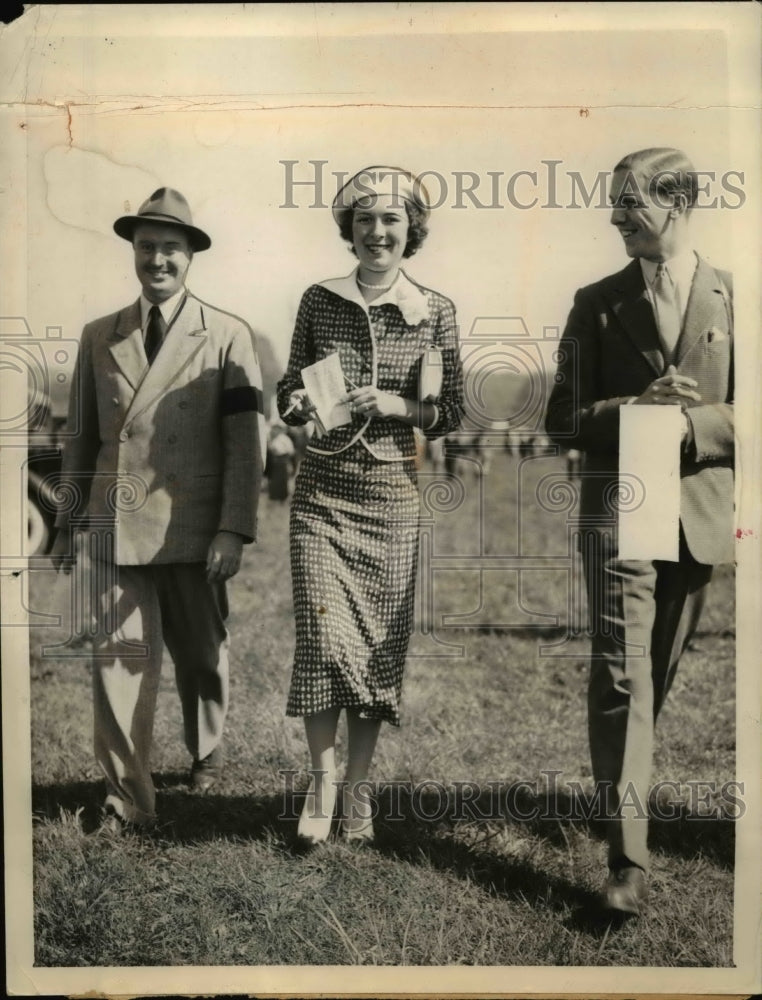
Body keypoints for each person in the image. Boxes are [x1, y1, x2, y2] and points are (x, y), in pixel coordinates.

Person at [546, 148, 734, 915]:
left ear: (678, 202)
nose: (616, 217)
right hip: (623, 504)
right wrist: (636, 409)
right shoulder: (595, 300)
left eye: (630, 203)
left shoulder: (736, 297)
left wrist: (691, 424)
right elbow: (560, 415)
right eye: (614, 203)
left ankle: (616, 793)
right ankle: (628, 860)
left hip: (696, 512)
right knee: (624, 676)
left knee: (654, 676)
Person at [51, 187, 265, 829]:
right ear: (134, 253)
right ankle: (128, 802)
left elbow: (245, 445)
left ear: (191, 256)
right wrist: (67, 524)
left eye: (171, 248)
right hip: (114, 529)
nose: (158, 260)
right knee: (118, 665)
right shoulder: (99, 335)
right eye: (147, 247)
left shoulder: (227, 335)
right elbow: (81, 440)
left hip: (195, 531)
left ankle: (205, 745)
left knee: (201, 653)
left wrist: (233, 528)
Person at [277, 165, 465, 844]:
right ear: (348, 230)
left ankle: (359, 787)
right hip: (322, 495)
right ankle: (322, 781)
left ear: (412, 226)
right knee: (323, 641)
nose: (377, 231)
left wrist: (396, 404)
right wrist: (297, 402)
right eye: (364, 219)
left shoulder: (434, 308)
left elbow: (450, 413)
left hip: (392, 500)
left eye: (391, 218)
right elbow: (288, 388)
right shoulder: (317, 299)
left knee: (377, 655)